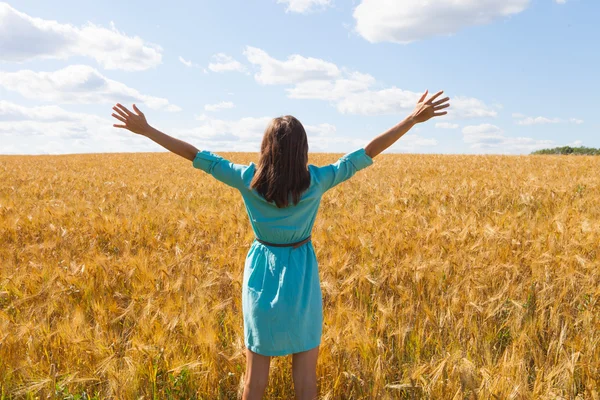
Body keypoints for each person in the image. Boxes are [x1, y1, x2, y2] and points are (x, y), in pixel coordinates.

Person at [111, 90, 450, 400]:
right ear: (303, 149)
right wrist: (410, 119)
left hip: (260, 274)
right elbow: (364, 154)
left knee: (253, 380)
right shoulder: (317, 181)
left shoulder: (247, 180)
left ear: (266, 148)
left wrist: (148, 130)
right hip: (301, 276)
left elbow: (196, 156)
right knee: (305, 380)